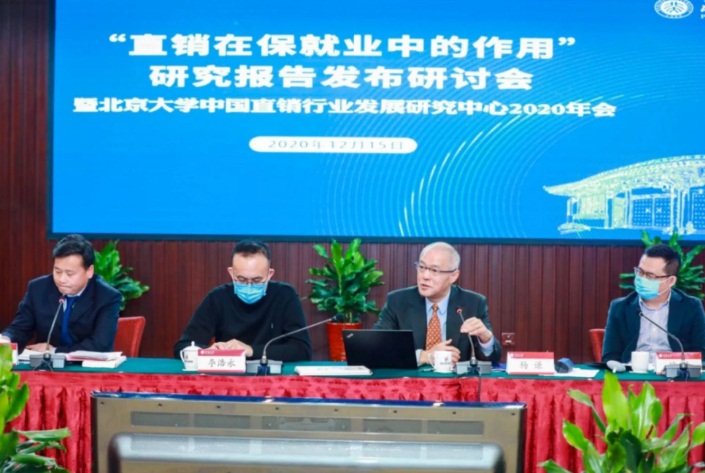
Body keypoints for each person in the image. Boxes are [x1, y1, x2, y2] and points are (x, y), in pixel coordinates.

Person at [173, 240, 312, 361]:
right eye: (241, 280)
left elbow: (302, 349)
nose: (249, 286)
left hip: (272, 376)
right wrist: (208, 352)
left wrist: (251, 350)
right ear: (231, 273)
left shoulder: (285, 295)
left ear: (269, 274)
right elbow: (183, 346)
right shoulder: (217, 298)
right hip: (227, 376)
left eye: (257, 280)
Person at [374, 242, 501, 365]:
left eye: (434, 270)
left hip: (454, 378)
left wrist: (486, 338)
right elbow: (377, 348)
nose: (425, 276)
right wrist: (424, 356)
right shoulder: (397, 301)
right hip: (411, 378)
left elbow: (493, 359)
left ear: (453, 276)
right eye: (422, 267)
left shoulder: (474, 303)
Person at [0, 234, 121, 353]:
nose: (61, 279)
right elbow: (21, 328)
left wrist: (56, 351)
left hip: (88, 364)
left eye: (69, 274)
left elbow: (100, 345)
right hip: (45, 364)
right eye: (57, 271)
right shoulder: (38, 289)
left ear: (89, 271)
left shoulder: (107, 297)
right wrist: (6, 338)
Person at [602, 243, 705, 363]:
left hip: (674, 371)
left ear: (670, 281)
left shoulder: (691, 306)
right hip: (632, 371)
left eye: (650, 276)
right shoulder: (619, 307)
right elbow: (610, 355)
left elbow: (701, 353)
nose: (642, 279)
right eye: (640, 272)